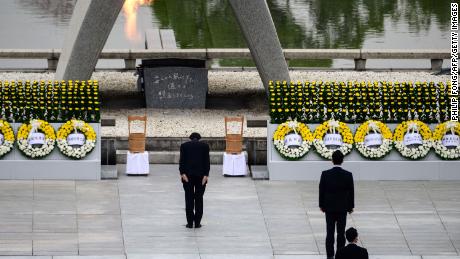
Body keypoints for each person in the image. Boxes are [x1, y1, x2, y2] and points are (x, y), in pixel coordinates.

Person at [319, 150, 354, 259]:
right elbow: (351, 192)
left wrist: (321, 205)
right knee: (341, 233)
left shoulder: (325, 174)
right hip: (342, 209)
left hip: (329, 208)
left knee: (329, 233)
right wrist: (350, 206)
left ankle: (330, 255)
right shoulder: (348, 175)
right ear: (342, 161)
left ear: (332, 160)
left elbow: (321, 190)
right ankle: (340, 254)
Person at [179, 132, 210, 228]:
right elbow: (207, 161)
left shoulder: (184, 146)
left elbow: (182, 161)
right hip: (201, 177)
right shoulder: (205, 146)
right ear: (199, 138)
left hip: (187, 176)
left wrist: (182, 173)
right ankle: (197, 223)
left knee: (189, 199)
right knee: (199, 199)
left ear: (190, 138)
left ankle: (189, 223)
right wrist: (206, 175)